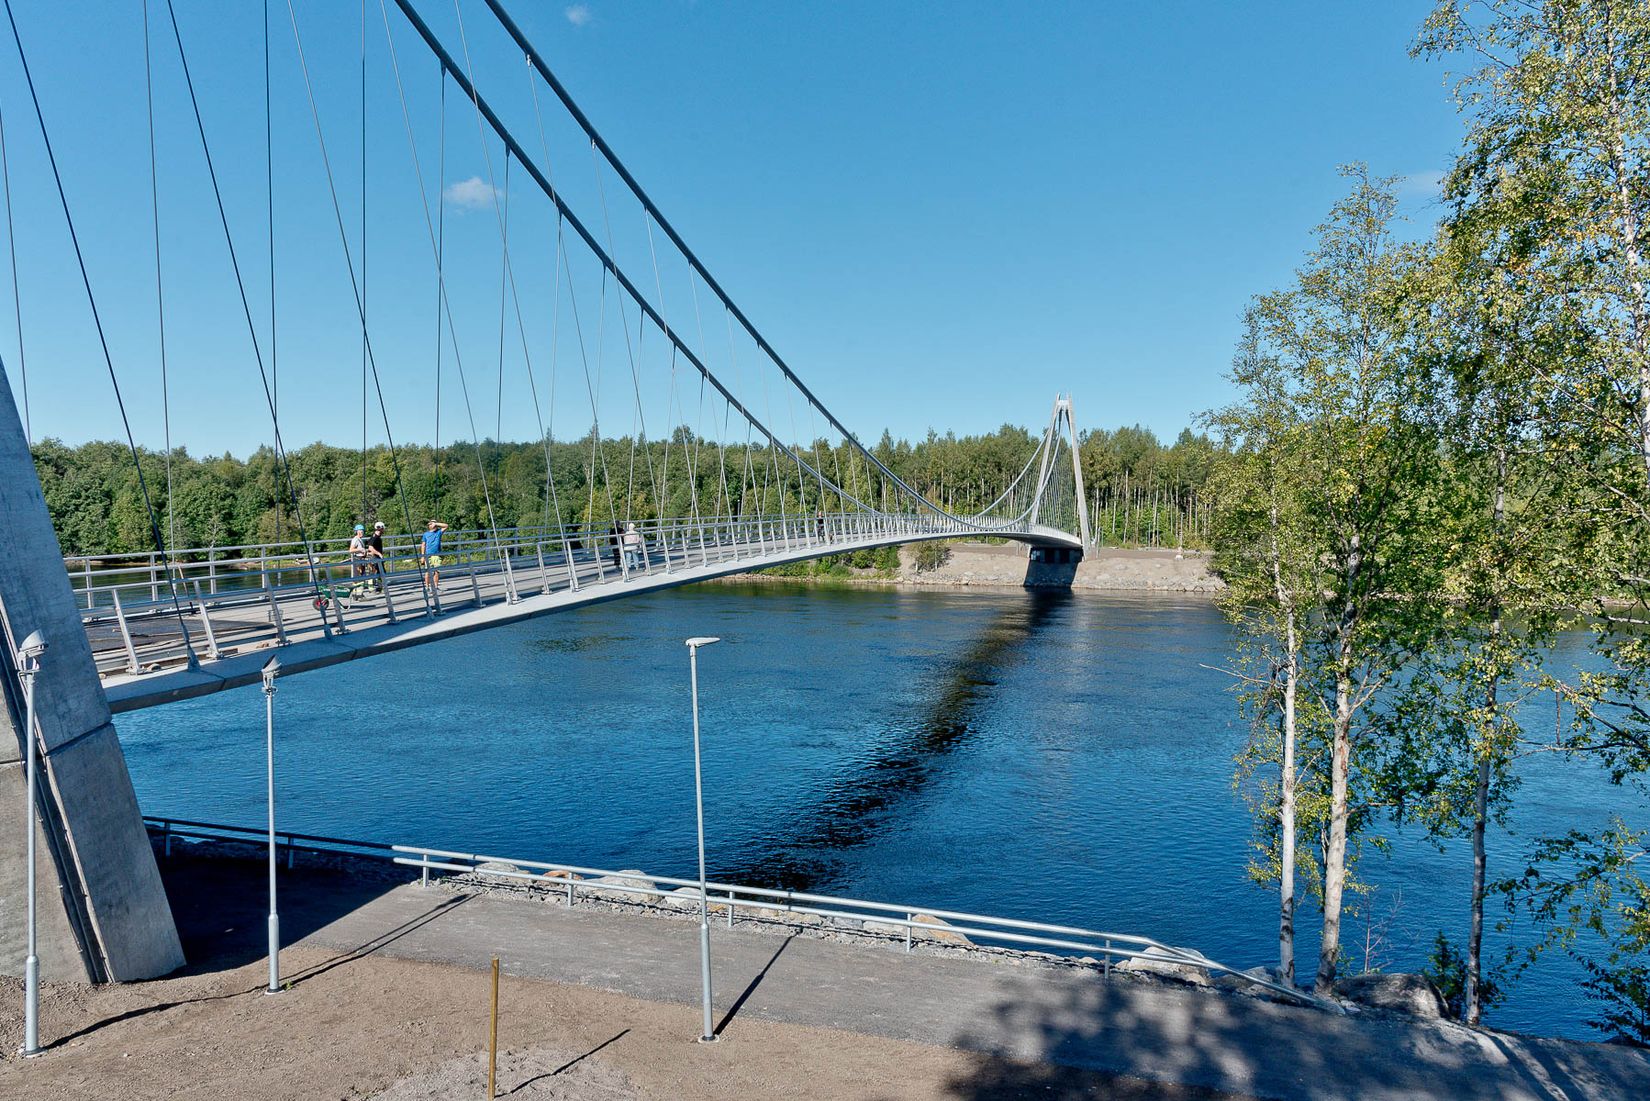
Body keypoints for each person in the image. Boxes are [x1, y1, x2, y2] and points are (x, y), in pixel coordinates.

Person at [421, 519, 448, 594]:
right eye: (430, 524)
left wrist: (436, 524)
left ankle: (435, 587)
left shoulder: (438, 532)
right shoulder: (426, 534)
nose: (431, 525)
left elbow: (446, 526)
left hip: (436, 554)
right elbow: (423, 545)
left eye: (432, 523)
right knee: (427, 572)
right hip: (428, 555)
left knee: (436, 571)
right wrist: (422, 556)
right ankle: (427, 587)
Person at [364, 521, 387, 592]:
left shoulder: (378, 537)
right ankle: (374, 588)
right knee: (377, 572)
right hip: (375, 558)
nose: (383, 530)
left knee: (381, 572)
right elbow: (370, 548)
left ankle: (380, 587)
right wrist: (379, 554)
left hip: (377, 558)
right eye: (383, 529)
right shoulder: (375, 537)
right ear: (380, 528)